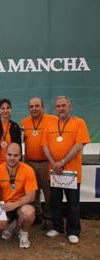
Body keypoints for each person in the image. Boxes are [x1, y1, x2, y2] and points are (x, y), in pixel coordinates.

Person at [42, 96, 90, 244]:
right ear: (55, 109)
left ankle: (73, 231)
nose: (61, 108)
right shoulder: (50, 124)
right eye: (58, 106)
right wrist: (54, 163)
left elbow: (79, 145)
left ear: (70, 106)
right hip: (55, 172)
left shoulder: (79, 122)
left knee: (73, 203)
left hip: (71, 173)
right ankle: (57, 227)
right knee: (55, 201)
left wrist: (62, 162)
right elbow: (45, 146)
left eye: (63, 105)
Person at [0, 143, 37, 249]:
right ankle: (10, 225)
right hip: (5, 206)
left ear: (20, 156)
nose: (12, 158)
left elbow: (31, 196)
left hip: (21, 205)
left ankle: (24, 233)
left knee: (29, 213)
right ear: (5, 155)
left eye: (15, 155)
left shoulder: (28, 170)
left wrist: (15, 204)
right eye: (9, 154)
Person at [20, 97, 57, 229]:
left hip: (45, 163)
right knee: (32, 192)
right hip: (29, 162)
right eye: (31, 106)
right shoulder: (24, 122)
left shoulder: (53, 120)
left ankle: (48, 217)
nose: (34, 108)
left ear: (43, 107)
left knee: (48, 192)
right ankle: (37, 215)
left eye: (37, 106)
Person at [0, 98, 21, 173]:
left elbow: (18, 146)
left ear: (11, 109)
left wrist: (19, 162)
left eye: (8, 108)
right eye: (3, 108)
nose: (5, 110)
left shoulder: (15, 126)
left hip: (11, 163)